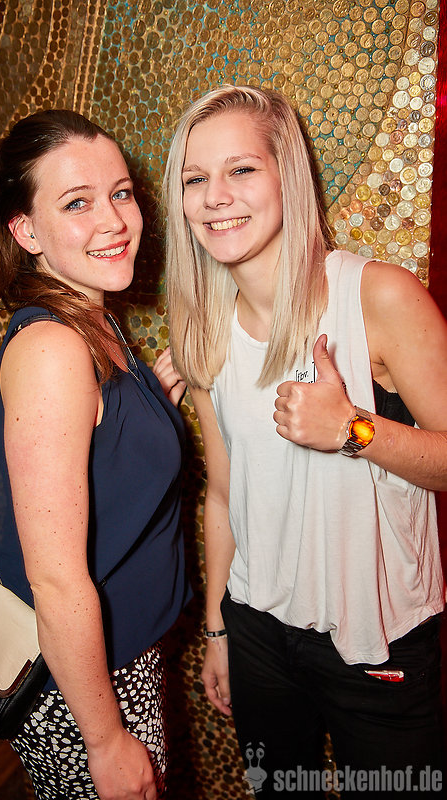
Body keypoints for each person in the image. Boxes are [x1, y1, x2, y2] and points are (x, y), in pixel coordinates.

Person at [163, 84, 447, 798]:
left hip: (375, 640)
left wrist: (352, 430)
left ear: (287, 174)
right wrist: (218, 630)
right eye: (194, 179)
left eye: (240, 169)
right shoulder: (200, 327)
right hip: (256, 632)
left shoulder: (378, 297)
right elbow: (224, 493)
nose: (215, 196)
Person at [0, 108, 190, 800]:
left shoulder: (95, 317)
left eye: (120, 192)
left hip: (121, 659)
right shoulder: (53, 348)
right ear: (26, 231)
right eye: (77, 203)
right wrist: (104, 741)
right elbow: (54, 580)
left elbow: (99, 449)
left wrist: (151, 401)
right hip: (85, 688)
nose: (114, 220)